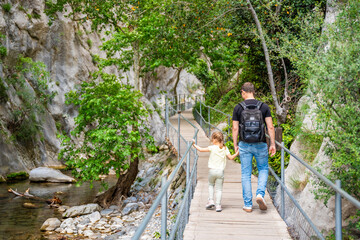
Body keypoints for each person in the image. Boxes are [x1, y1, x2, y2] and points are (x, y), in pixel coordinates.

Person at [232, 82, 276, 213]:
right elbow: (270, 127)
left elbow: (235, 128)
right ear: (253, 92)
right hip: (260, 143)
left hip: (244, 144)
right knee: (263, 169)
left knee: (246, 173)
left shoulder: (238, 108)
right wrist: (272, 143)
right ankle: (260, 194)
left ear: (243, 92)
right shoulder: (264, 107)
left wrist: (235, 145)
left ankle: (247, 205)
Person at [192, 132, 239, 212]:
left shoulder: (212, 147)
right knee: (219, 189)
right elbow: (231, 157)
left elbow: (200, 149)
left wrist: (193, 144)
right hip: (220, 172)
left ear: (214, 139)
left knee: (211, 185)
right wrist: (237, 153)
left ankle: (211, 200)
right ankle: (218, 205)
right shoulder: (224, 148)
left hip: (212, 171)